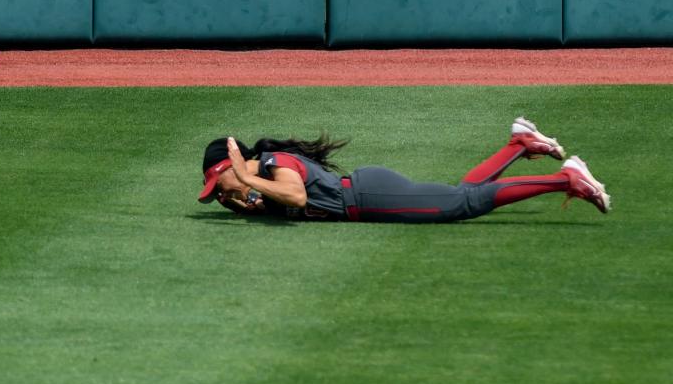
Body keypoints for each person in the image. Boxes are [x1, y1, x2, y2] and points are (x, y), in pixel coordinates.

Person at [197, 118, 611, 221]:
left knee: (459, 206)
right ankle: (519, 143)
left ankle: (565, 177)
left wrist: (249, 180)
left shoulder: (271, 165)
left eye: (220, 181)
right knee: (460, 194)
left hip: (369, 196)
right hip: (368, 195)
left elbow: (298, 196)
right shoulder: (261, 176)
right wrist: (247, 199)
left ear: (234, 161)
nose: (220, 194)